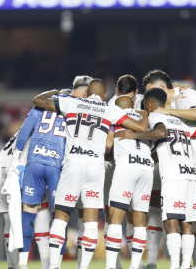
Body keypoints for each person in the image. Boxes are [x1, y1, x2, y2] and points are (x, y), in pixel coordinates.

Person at [32, 79, 149, 269]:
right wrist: (144, 114)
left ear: (86, 93)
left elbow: (37, 101)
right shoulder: (110, 109)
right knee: (92, 223)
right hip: (96, 166)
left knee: (61, 217)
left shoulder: (71, 102)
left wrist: (56, 92)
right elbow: (141, 128)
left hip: (74, 163)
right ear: (105, 96)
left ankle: (53, 266)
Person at [117, 88, 196, 269]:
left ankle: (176, 265)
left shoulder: (155, 116)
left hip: (173, 175)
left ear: (148, 104)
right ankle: (186, 265)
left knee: (170, 221)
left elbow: (161, 133)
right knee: (187, 222)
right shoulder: (180, 119)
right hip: (190, 174)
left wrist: (134, 135)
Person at [8, 76, 93, 269]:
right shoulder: (80, 108)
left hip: (35, 161)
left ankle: (22, 263)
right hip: (58, 165)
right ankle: (55, 264)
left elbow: (24, 131)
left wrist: (16, 157)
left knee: (28, 212)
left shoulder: (43, 106)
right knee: (60, 217)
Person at [142, 69, 196, 269]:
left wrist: (169, 110)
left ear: (161, 87)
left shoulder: (183, 98)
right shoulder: (181, 99)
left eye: (151, 92)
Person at [0, 129, 49, 269]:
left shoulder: (32, 121)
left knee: (10, 219)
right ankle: (46, 265)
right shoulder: (51, 123)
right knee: (41, 213)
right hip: (18, 167)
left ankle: (12, 265)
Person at [105, 96, 154, 269]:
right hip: (147, 168)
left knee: (115, 219)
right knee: (140, 220)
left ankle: (111, 266)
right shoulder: (145, 118)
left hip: (127, 166)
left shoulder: (115, 115)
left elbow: (108, 145)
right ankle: (135, 266)